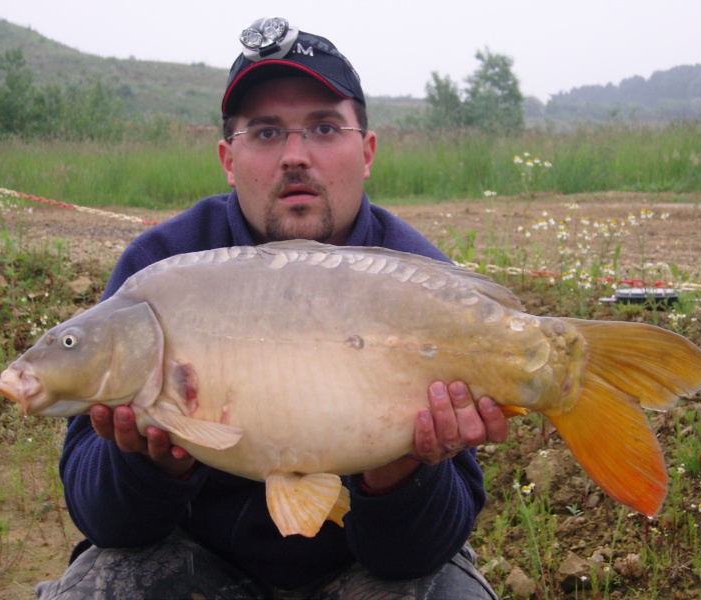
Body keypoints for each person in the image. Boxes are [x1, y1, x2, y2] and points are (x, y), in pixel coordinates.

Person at [37, 17, 508, 600]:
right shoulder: (160, 271)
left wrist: (399, 470)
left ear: (366, 152)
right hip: (199, 560)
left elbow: (415, 555)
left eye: (323, 128)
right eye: (264, 133)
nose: (295, 155)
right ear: (227, 159)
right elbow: (103, 519)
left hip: (362, 566)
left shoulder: (422, 280)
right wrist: (156, 465)